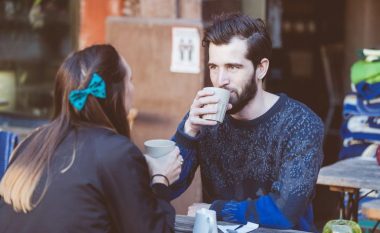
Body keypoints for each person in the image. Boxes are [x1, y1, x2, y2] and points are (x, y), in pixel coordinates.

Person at [0, 44, 182, 233]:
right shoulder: (117, 152)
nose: (133, 89)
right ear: (117, 92)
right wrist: (160, 182)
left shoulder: (31, 142)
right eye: (131, 80)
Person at [169, 13, 324, 232]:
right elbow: (167, 188)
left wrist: (217, 209)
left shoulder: (300, 123)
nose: (220, 80)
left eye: (233, 67)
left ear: (261, 68)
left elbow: (284, 211)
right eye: (214, 67)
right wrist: (188, 134)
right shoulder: (204, 117)